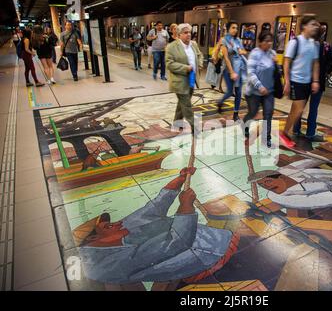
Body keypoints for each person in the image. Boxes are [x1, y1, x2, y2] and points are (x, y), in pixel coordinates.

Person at [73, 167, 238, 284]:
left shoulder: (120, 234)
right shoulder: (118, 262)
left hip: (210, 241)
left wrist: (180, 180)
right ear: (94, 239)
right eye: (108, 227)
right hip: (212, 253)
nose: (118, 222)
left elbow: (153, 208)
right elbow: (179, 242)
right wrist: (186, 206)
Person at [292, 23, 332, 142]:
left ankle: (296, 130)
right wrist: (326, 72)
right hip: (318, 83)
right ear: (322, 34)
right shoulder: (326, 46)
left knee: (300, 107)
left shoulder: (306, 45)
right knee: (313, 109)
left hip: (304, 82)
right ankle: (310, 133)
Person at [281, 15, 320, 147]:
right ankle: (285, 133)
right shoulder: (295, 42)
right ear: (304, 26)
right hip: (295, 81)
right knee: (298, 110)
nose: (315, 27)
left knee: (296, 110)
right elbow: (286, 62)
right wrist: (287, 81)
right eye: (312, 24)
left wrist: (315, 81)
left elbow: (315, 63)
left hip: (307, 83)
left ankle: (287, 132)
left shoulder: (314, 44)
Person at [166, 23, 204, 134]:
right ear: (179, 35)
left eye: (189, 32)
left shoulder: (194, 44)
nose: (188, 34)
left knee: (182, 103)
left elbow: (199, 55)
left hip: (192, 79)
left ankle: (176, 124)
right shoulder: (171, 47)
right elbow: (169, 64)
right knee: (186, 104)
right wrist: (185, 68)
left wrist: (200, 64)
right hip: (179, 81)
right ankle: (194, 127)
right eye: (185, 32)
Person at [242, 31, 277, 147]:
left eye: (270, 41)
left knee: (268, 114)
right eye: (266, 41)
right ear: (260, 42)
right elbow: (251, 73)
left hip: (269, 92)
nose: (269, 43)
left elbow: (275, 73)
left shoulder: (272, 54)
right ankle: (245, 124)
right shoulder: (255, 54)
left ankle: (266, 138)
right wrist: (260, 86)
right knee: (253, 113)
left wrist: (277, 65)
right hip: (254, 92)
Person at [217, 21, 247, 121]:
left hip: (239, 69)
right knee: (230, 92)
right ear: (228, 29)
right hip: (228, 69)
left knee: (238, 92)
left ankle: (235, 113)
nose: (235, 30)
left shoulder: (238, 40)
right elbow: (226, 58)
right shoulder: (224, 41)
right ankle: (220, 102)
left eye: (236, 28)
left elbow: (244, 51)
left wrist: (240, 51)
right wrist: (232, 72)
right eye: (233, 28)